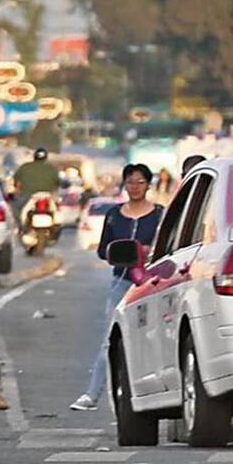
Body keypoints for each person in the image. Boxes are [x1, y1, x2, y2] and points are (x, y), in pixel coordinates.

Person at [70, 163, 164, 411]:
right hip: (121, 283)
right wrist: (123, 251)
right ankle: (92, 394)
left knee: (155, 337)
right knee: (110, 340)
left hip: (152, 284)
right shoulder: (113, 215)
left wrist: (147, 252)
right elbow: (103, 250)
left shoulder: (160, 215)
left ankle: (157, 393)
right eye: (130, 182)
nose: (135, 187)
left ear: (149, 184)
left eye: (140, 182)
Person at [12, 147, 60, 228]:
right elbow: (58, 183)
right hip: (48, 196)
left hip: (27, 196)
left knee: (15, 209)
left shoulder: (25, 167)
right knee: (57, 209)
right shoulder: (52, 168)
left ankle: (20, 228)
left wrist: (17, 190)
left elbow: (16, 181)